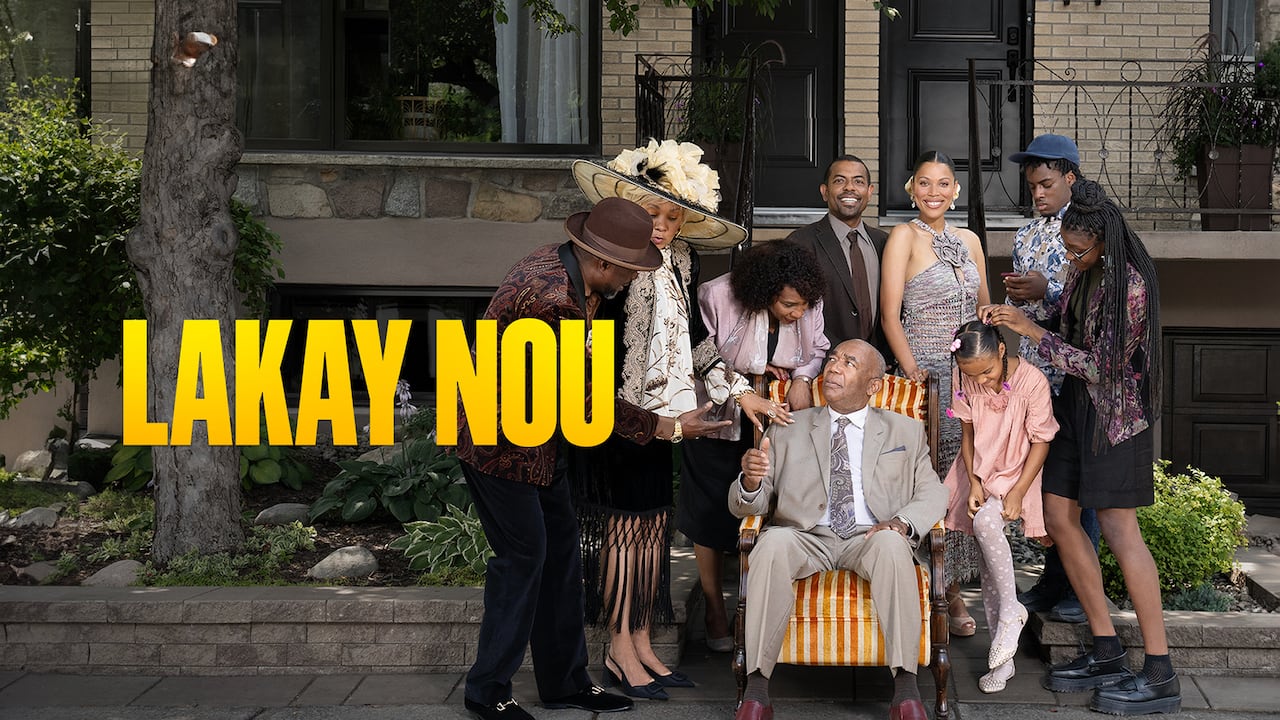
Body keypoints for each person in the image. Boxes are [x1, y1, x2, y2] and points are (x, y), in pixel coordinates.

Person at [453, 196, 732, 720]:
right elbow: (586, 401)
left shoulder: (573, 273)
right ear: (601, 261)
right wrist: (670, 426)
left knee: (561, 558)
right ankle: (487, 691)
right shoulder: (550, 297)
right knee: (523, 560)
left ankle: (565, 684)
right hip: (498, 446)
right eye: (628, 271)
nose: (631, 280)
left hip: (540, 441)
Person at [982, 179, 1180, 715]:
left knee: (1119, 529)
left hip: (1116, 421)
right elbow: (1063, 325)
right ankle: (1106, 648)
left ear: (1103, 241)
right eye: (1067, 249)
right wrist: (1019, 314)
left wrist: (1034, 332)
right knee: (1059, 517)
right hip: (1073, 411)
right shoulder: (1080, 272)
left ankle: (1160, 670)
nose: (1069, 258)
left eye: (1076, 250)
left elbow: (1104, 366)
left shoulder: (1129, 287)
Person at [567, 140, 749, 700]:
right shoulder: (612, 262)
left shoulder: (680, 262)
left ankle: (642, 642)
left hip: (662, 422)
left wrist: (740, 393)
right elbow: (595, 356)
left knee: (650, 534)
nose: (663, 225)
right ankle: (619, 652)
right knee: (626, 534)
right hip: (620, 420)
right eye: (652, 212)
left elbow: (695, 342)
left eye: (673, 215)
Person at [731, 339, 948, 720]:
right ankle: (757, 691)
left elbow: (933, 492)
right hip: (805, 536)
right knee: (769, 545)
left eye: (848, 363)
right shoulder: (788, 427)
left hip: (869, 536)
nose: (833, 368)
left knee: (894, 545)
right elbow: (755, 501)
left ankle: (906, 691)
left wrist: (901, 523)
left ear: (873, 385)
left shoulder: (906, 431)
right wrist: (749, 482)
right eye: (832, 359)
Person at [675, 240, 829, 654]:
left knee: (766, 509)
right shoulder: (716, 295)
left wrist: (799, 377)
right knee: (709, 512)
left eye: (804, 305)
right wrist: (747, 383)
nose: (799, 314)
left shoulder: (808, 303)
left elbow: (816, 350)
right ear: (764, 291)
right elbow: (698, 355)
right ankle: (714, 607)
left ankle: (753, 604)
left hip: (771, 424)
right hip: (718, 416)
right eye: (790, 305)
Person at [879, 150, 990, 637]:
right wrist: (915, 375)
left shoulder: (969, 240)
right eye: (925, 183)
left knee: (968, 477)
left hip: (971, 375)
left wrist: (993, 374)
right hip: (927, 374)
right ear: (911, 188)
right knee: (929, 478)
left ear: (956, 190)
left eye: (944, 184)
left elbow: (985, 310)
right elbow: (889, 316)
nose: (934, 192)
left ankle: (957, 586)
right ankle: (930, 589)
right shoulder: (903, 236)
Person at [1005, 134, 1100, 625]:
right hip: (1040, 377)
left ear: (1070, 177)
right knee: (1050, 487)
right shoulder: (1024, 235)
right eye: (1031, 186)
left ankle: (1083, 592)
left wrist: (1051, 287)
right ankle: (1055, 578)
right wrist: (1022, 292)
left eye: (1045, 184)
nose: (1037, 194)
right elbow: (1032, 311)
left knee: (1081, 489)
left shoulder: (1092, 229)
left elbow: (1092, 300)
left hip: (1080, 376)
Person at [942, 320, 1058, 694]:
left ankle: (1011, 615)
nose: (985, 381)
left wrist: (1019, 491)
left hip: (1019, 470)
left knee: (988, 528)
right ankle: (1003, 653)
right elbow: (968, 433)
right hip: (980, 467)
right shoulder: (964, 378)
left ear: (1003, 350)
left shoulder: (1033, 382)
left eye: (989, 371)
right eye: (973, 375)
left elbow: (1041, 442)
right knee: (990, 557)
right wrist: (974, 480)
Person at [786, 154, 889, 353]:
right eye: (840, 180)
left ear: (869, 192)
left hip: (879, 368)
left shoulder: (884, 243)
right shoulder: (800, 242)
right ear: (825, 191)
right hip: (823, 364)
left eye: (858, 181)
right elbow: (793, 313)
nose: (849, 187)